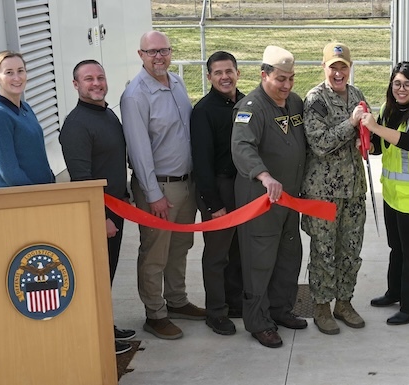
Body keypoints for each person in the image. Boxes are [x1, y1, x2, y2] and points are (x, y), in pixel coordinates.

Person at [121, 31, 203, 340]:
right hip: (160, 189)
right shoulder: (135, 95)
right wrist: (153, 194)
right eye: (152, 51)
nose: (159, 56)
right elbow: (140, 150)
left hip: (186, 184)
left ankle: (177, 300)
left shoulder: (177, 83)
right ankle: (155, 313)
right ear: (140, 54)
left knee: (180, 247)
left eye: (164, 51)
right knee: (155, 251)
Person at [231, 45, 307, 348]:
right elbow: (242, 147)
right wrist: (264, 175)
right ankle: (259, 322)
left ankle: (281, 309)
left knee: (289, 257)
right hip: (261, 201)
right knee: (259, 262)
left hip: (290, 200)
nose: (286, 86)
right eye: (280, 79)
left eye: (291, 79)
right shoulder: (251, 107)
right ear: (264, 75)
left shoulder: (295, 102)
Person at [59, 59, 136, 354]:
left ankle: (106, 325)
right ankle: (98, 338)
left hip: (117, 208)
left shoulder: (106, 114)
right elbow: (82, 180)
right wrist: (100, 218)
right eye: (88, 79)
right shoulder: (77, 125)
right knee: (96, 275)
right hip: (100, 214)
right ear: (76, 85)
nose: (96, 83)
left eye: (100, 77)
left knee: (107, 273)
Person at [363, 61, 409, 326]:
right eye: (397, 83)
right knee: (396, 248)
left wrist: (373, 127)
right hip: (393, 194)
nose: (401, 89)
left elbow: (408, 141)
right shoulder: (387, 110)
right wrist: (367, 143)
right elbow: (382, 148)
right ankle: (394, 292)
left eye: (407, 84)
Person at [301, 42, 368, 335]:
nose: (338, 73)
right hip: (323, 192)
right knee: (324, 251)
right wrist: (350, 124)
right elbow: (320, 143)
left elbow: (365, 132)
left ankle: (344, 302)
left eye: (343, 67)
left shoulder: (356, 94)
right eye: (333, 67)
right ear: (324, 67)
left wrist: (365, 137)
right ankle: (321, 307)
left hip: (354, 189)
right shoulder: (315, 99)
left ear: (349, 67)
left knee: (351, 250)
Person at [190, 51, 245, 336]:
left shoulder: (248, 103)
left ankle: (235, 302)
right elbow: (201, 162)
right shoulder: (203, 111)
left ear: (238, 73)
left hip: (242, 187)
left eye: (229, 71)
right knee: (217, 254)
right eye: (218, 72)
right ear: (210, 76)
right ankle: (216, 312)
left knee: (237, 251)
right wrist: (214, 204)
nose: (225, 77)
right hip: (218, 188)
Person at [0, 50, 54, 188]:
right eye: (9, 72)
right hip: (20, 200)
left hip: (42, 194)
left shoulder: (25, 108)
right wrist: (37, 196)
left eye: (20, 71)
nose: (17, 77)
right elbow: (10, 172)